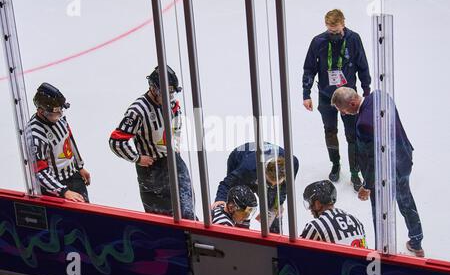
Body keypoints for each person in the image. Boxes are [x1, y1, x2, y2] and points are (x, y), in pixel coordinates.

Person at [331, 86, 424, 257]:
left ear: (352, 103)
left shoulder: (364, 124)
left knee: (379, 211)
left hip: (384, 174)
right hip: (403, 158)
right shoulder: (380, 95)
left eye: (342, 110)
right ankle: (416, 241)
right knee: (406, 201)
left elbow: (375, 160)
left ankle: (382, 249)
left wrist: (367, 186)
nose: (343, 114)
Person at [109, 65, 195, 219]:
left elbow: (177, 124)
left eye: (172, 93)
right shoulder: (137, 110)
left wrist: (175, 146)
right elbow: (116, 141)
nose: (169, 97)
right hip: (151, 170)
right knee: (160, 218)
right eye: (165, 93)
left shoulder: (172, 103)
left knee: (187, 213)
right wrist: (137, 158)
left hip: (173, 161)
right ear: (153, 89)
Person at [301, 9, 371, 190]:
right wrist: (306, 94)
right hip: (326, 96)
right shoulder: (318, 41)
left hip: (348, 96)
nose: (333, 34)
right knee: (330, 131)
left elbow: (362, 65)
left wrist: (366, 89)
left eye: (336, 31)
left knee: (352, 134)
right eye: (330, 31)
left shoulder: (354, 39)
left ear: (343, 24)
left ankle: (355, 172)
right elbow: (309, 69)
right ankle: (336, 164)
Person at [213, 142, 299, 233]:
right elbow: (227, 183)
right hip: (240, 156)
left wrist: (277, 204)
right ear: (263, 174)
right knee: (242, 199)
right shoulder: (248, 169)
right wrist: (220, 199)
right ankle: (241, 229)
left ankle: (275, 233)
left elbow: (284, 189)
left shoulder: (292, 164)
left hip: (262, 160)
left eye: (276, 184)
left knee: (274, 209)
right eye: (269, 183)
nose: (272, 186)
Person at [27, 82, 90, 203]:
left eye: (61, 111)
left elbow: (69, 140)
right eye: (55, 113)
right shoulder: (35, 134)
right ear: (41, 112)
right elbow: (39, 172)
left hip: (73, 176)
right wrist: (63, 191)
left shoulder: (59, 117)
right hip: (56, 187)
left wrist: (80, 166)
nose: (60, 115)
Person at [300, 180, 367, 248]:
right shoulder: (356, 220)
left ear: (318, 204)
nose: (310, 209)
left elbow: (298, 252)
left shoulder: (315, 226)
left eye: (309, 204)